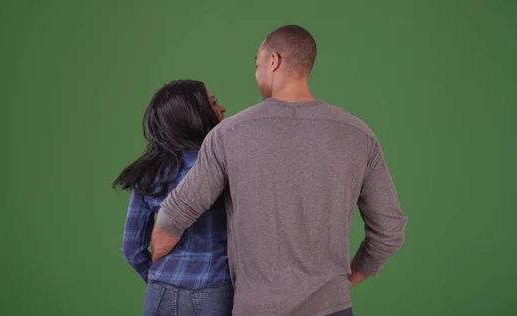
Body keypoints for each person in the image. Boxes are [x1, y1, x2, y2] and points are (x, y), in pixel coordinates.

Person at [150, 25, 408, 316]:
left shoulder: (229, 134)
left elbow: (176, 213)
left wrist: (156, 263)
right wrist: (347, 280)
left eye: (257, 65)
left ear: (273, 61)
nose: (257, 74)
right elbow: (389, 230)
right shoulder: (358, 135)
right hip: (332, 307)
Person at [114, 80, 232, 316]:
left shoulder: (151, 172)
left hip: (160, 292)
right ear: (195, 115)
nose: (222, 109)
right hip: (213, 289)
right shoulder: (222, 168)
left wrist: (160, 275)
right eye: (213, 102)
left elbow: (131, 248)